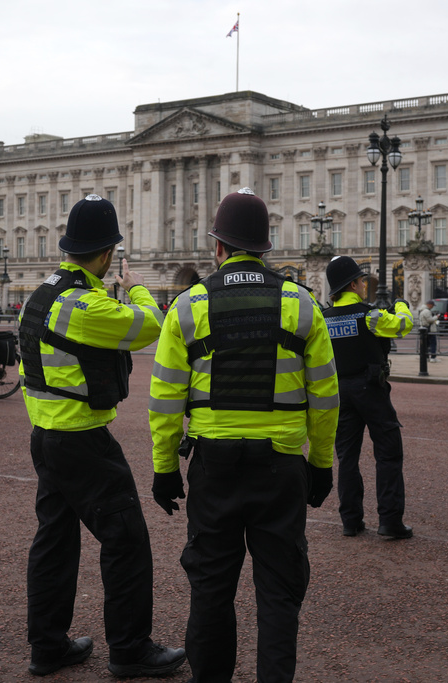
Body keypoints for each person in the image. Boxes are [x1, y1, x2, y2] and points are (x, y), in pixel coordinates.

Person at [148, 188, 338, 683]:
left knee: (211, 590)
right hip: (281, 465)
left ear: (219, 246)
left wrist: (165, 468)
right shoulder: (302, 304)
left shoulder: (188, 305)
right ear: (265, 246)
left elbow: (166, 402)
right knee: (279, 593)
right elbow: (325, 399)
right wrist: (320, 462)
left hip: (215, 466)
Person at [18, 194, 184, 678]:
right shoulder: (83, 303)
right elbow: (149, 326)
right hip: (82, 439)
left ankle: (48, 646)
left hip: (45, 433)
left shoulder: (42, 290)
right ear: (108, 252)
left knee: (55, 541)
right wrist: (134, 289)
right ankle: (130, 649)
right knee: (126, 542)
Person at [323, 255, 415, 539]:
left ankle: (351, 520)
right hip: (370, 387)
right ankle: (390, 520)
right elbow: (403, 325)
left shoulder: (324, 318)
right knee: (388, 452)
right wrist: (401, 305)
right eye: (362, 280)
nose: (364, 284)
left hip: (338, 391)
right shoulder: (369, 314)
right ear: (352, 284)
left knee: (347, 457)